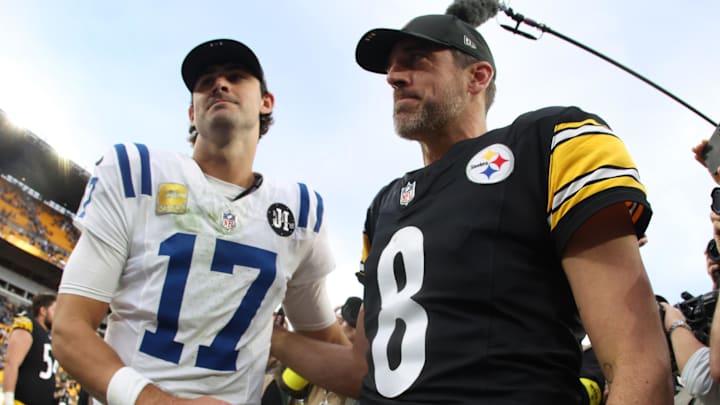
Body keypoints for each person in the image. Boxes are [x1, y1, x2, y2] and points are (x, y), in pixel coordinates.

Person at [271, 1, 673, 403]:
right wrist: (270, 337)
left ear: (477, 77)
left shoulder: (549, 142)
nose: (394, 77)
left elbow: (636, 361)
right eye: (392, 67)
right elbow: (363, 369)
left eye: (417, 61)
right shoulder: (383, 208)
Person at [52, 38, 346, 405]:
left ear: (266, 103)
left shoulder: (300, 211)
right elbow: (69, 328)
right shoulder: (136, 173)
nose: (219, 84)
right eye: (206, 81)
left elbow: (327, 344)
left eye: (236, 77)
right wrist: (160, 402)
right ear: (192, 112)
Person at [2, 294, 58, 405]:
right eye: (55, 310)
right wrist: (8, 400)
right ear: (43, 311)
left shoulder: (48, 336)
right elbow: (11, 363)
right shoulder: (28, 324)